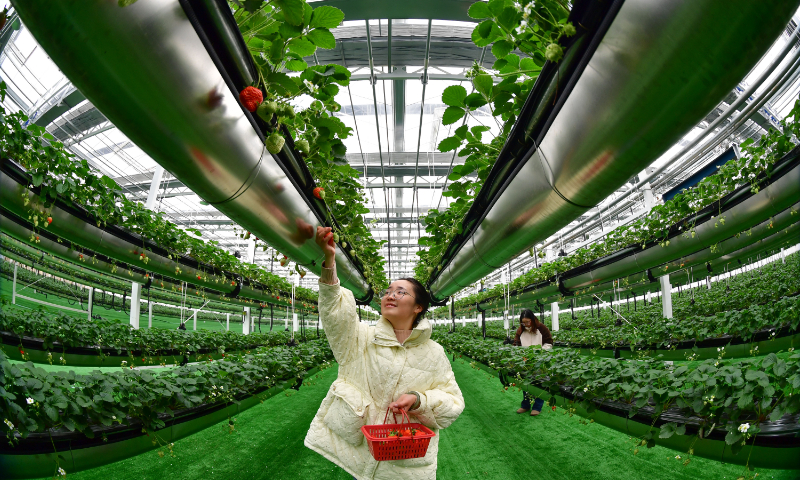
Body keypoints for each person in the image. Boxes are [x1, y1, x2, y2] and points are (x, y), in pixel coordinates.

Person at [305, 226, 465, 480]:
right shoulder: (362, 338)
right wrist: (329, 261)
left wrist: (418, 399)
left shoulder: (434, 353)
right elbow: (335, 317)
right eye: (388, 291)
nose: (390, 295)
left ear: (418, 307)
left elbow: (454, 403)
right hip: (360, 450)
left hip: (405, 461)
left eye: (401, 292)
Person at [512, 309, 553, 416]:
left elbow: (549, 342)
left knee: (539, 382)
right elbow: (516, 344)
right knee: (526, 382)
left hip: (540, 360)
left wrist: (540, 352)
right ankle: (525, 405)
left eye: (527, 322)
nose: (525, 324)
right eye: (523, 322)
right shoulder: (520, 330)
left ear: (533, 319)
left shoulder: (541, 328)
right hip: (525, 361)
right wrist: (519, 353)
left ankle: (537, 407)